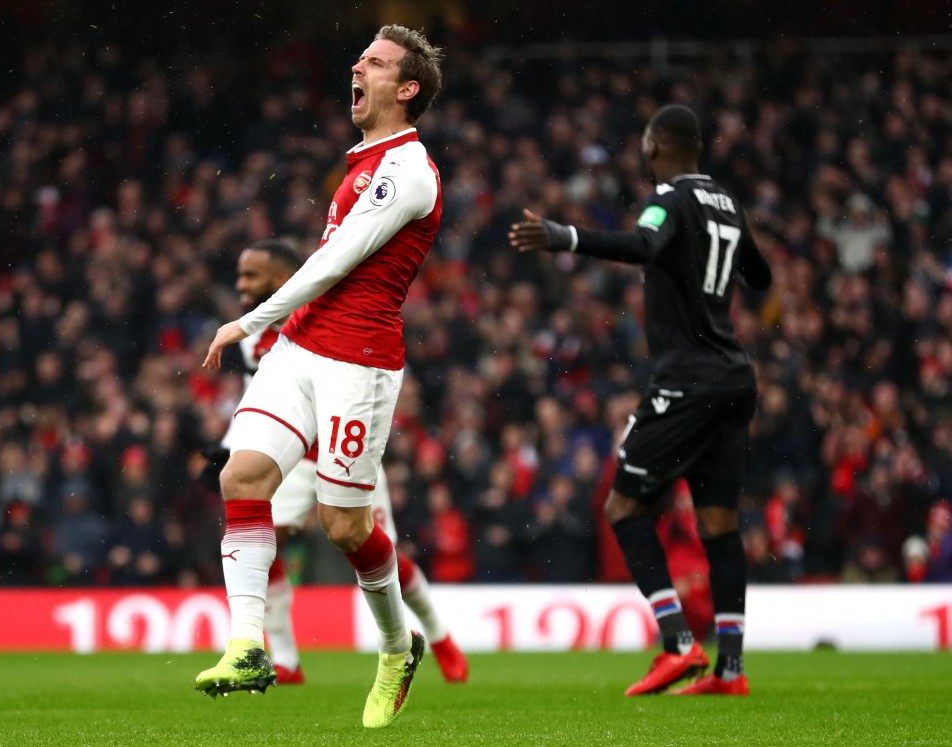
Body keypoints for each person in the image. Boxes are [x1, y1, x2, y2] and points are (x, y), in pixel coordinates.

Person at [196, 25, 444, 729]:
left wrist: (250, 320)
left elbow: (335, 262)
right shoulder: (366, 160)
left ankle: (398, 646)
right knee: (242, 476)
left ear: (407, 88)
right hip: (300, 349)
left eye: (376, 62)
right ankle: (249, 646)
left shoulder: (410, 172)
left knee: (344, 525)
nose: (357, 68)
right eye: (361, 58)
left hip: (358, 364)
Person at [509, 104, 771, 696]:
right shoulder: (726, 202)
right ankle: (731, 670)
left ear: (654, 146)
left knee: (624, 509)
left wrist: (564, 236)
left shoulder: (669, 198)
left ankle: (677, 643)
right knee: (719, 524)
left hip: (687, 380)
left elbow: (646, 244)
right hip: (734, 378)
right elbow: (760, 276)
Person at [199, 239, 467, 685]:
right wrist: (228, 446)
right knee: (261, 536)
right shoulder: (254, 338)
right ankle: (284, 659)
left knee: (377, 552)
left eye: (251, 275)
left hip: (347, 453)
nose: (240, 285)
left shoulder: (330, 315)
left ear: (282, 279)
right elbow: (258, 398)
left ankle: (438, 636)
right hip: (294, 459)